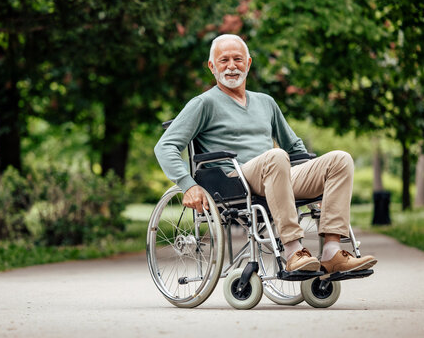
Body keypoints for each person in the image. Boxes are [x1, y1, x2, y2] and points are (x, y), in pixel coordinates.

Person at [154, 34, 377, 274]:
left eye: (238, 59)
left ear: (248, 63)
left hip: (277, 174)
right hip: (234, 180)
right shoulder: (203, 103)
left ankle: (333, 252)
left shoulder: (266, 103)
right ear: (212, 66)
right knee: (276, 156)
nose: (231, 66)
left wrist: (320, 183)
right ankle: (293, 251)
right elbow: (164, 146)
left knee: (340, 160)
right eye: (224, 60)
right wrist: (188, 184)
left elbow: (295, 148)